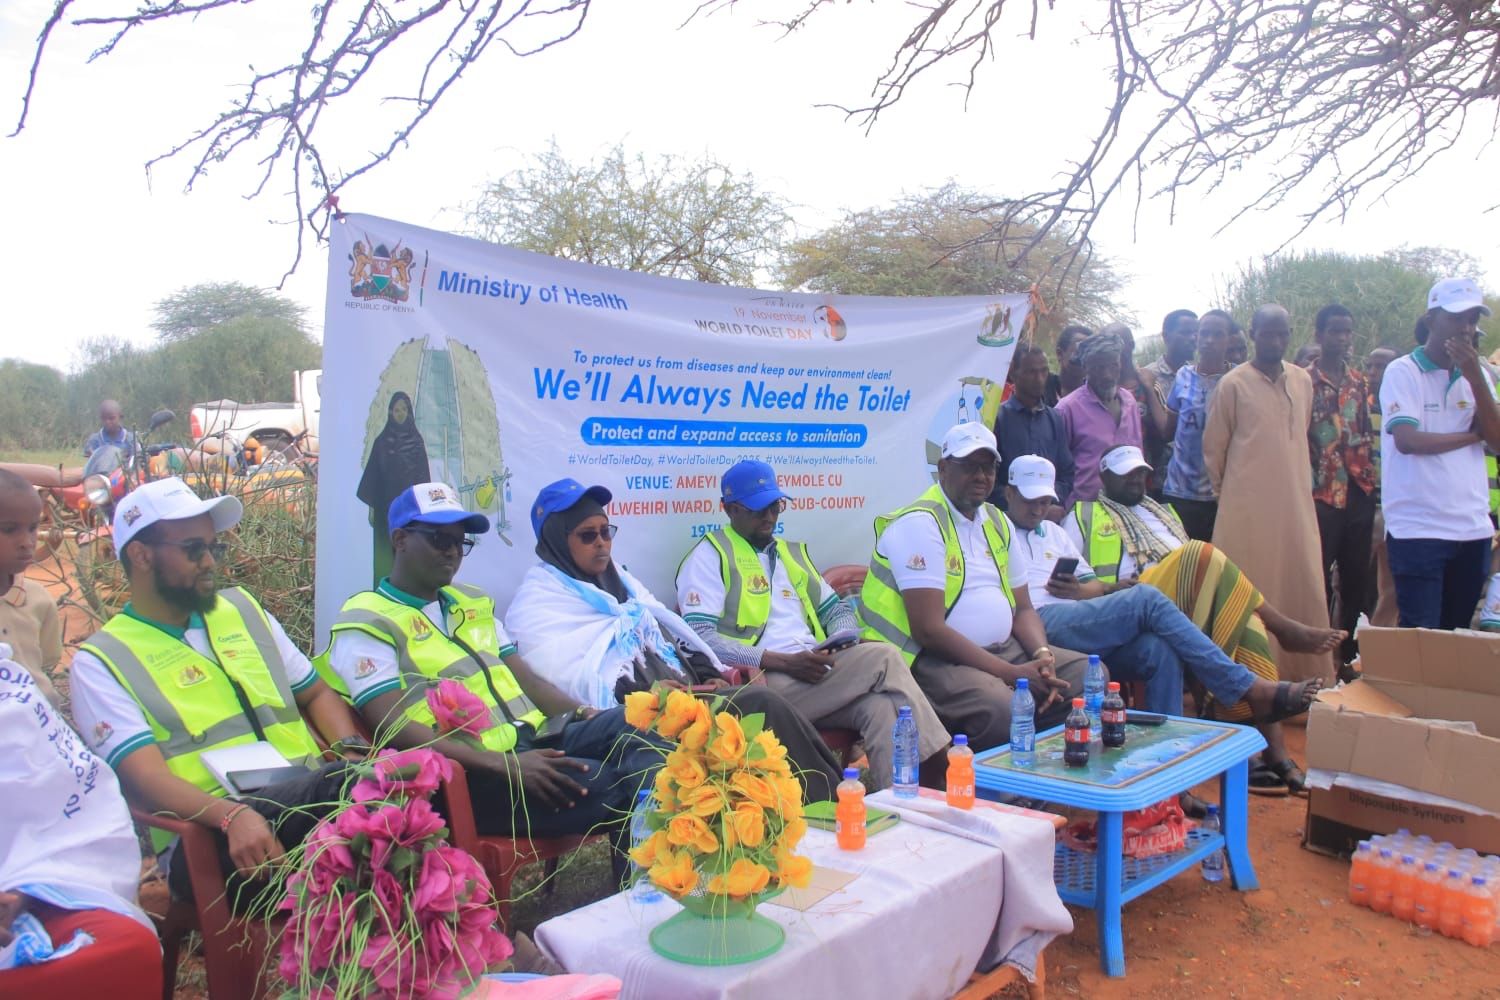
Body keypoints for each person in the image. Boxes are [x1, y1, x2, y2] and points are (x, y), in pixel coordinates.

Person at [326, 482, 665, 873]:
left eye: (460, 541)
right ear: (400, 540)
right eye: (439, 539)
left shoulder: (472, 603)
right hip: (474, 774)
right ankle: (649, 890)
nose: (452, 551)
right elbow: (392, 724)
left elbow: (529, 682)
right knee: (614, 784)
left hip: (538, 738)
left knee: (643, 722)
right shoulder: (367, 620)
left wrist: (586, 715)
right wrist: (503, 765)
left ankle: (654, 881)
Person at [69, 478, 371, 913]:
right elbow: (145, 778)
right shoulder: (103, 660)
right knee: (373, 797)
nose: (209, 561)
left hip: (306, 797)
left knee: (403, 784)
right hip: (211, 838)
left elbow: (317, 692)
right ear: (141, 555)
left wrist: (352, 751)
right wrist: (231, 815)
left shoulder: (243, 611)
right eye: (193, 549)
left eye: (214, 547)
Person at [503, 479, 844, 803]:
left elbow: (670, 631)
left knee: (764, 704)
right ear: (557, 541)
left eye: (606, 532)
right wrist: (647, 696)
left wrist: (708, 673)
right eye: (588, 535)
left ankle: (831, 803)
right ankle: (828, 807)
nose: (602, 543)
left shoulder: (620, 581)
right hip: (632, 722)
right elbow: (576, 690)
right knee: (759, 703)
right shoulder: (540, 604)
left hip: (683, 698)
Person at [1005, 456, 1320, 791]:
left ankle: (1170, 783)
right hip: (1040, 622)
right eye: (1030, 500)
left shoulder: (1054, 533)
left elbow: (1093, 585)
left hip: (1081, 616)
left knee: (1160, 650)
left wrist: (1078, 589)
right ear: (1009, 493)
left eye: (1044, 501)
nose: (1038, 509)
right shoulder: (1000, 529)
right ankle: (1245, 688)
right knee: (1147, 598)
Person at [675, 460, 949, 791]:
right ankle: (944, 767)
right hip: (763, 683)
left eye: (775, 506)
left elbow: (836, 609)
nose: (769, 517)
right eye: (758, 509)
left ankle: (898, 804)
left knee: (878, 708)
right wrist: (780, 661)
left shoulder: (789, 554)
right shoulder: (710, 555)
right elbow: (700, 638)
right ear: (730, 509)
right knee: (886, 657)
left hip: (814, 668)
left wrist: (840, 638)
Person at [857, 422, 1094, 751]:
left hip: (1005, 649)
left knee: (1086, 675)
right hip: (932, 659)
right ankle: (986, 774)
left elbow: (1023, 608)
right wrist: (1011, 674)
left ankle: (1040, 763)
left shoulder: (997, 520)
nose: (981, 476)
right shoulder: (920, 523)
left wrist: (1043, 657)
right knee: (1002, 708)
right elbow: (929, 631)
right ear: (943, 469)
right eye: (969, 466)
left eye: (989, 467)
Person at [0, 657, 162, 999]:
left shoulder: (10, 689)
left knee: (128, 948)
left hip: (24, 897)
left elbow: (58, 819)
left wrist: (28, 885)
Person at [1204, 304, 1334, 687]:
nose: (1276, 341)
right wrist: (1233, 497)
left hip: (1295, 507)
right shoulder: (1233, 384)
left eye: (1283, 334)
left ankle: (1306, 679)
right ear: (1252, 334)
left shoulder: (1302, 380)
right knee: (1247, 590)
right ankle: (1249, 684)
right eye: (1268, 333)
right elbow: (1214, 450)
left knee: (1302, 583)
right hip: (1246, 510)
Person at [1379, 278, 1500, 629]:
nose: (1466, 328)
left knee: (1455, 637)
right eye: (1456, 318)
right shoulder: (1403, 371)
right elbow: (1409, 441)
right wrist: (1470, 436)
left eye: (1472, 319)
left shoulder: (1479, 376)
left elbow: (1496, 441)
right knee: (1422, 636)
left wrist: (1475, 378)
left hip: (1472, 529)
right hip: (1418, 530)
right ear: (1431, 319)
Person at [1306, 304, 1378, 665]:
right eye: (1335, 331)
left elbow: (1365, 432)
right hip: (1321, 491)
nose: (1343, 338)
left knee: (1355, 581)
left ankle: (1349, 657)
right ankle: (1317, 657)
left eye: (1347, 331)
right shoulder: (1304, 381)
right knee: (1317, 578)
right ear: (1319, 335)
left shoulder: (1358, 381)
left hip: (1359, 490)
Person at [1162, 310, 1235, 541]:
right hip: (1180, 491)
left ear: (1230, 339)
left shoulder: (1237, 380)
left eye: (1218, 334)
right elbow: (1170, 429)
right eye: (1204, 333)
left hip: (1221, 494)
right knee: (1183, 557)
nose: (1209, 340)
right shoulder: (1183, 376)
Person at [1056, 326, 1144, 504]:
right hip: (1084, 509)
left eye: (1113, 366)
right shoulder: (1067, 409)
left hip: (1126, 505)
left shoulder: (1129, 402)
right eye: (1098, 368)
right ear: (1086, 368)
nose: (1107, 375)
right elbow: (1058, 467)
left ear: (1120, 364)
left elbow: (1138, 455)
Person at [988, 342, 1075, 516]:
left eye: (1044, 371)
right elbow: (990, 478)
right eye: (1031, 372)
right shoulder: (997, 419)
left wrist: (1045, 503)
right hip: (1006, 518)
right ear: (1013, 373)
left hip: (1048, 518)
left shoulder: (1054, 418)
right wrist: (1024, 506)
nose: (1039, 379)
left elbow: (1066, 472)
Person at [0, 471, 62, 704]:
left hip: (43, 719)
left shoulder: (38, 599)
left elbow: (47, 660)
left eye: (33, 527)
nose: (27, 542)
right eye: (9, 529)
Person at [357, 391, 431, 584]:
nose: (400, 414)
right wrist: (373, 508)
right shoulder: (381, 442)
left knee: (410, 555)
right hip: (385, 513)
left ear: (409, 412)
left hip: (410, 514)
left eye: (403, 409)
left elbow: (423, 479)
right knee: (385, 560)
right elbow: (372, 479)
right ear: (391, 413)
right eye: (396, 410)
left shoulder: (416, 442)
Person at [1136, 309, 1199, 498]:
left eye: (1195, 333)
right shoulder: (1147, 376)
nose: (1192, 338)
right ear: (1166, 336)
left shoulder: (1198, 377)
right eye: (1185, 332)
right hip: (1158, 482)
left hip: (1193, 482)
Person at [1364, 346, 1400, 628]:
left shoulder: (1402, 410)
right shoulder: (1360, 409)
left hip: (1395, 508)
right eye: (1370, 366)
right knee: (1354, 581)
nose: (1374, 373)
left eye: (1382, 367)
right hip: (1364, 506)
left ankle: (1377, 642)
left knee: (1390, 588)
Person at [1045, 324, 1092, 407]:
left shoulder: (1094, 397)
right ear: (1059, 354)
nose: (1083, 356)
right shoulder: (1040, 385)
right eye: (1079, 348)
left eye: (1089, 350)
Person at [82, 399, 139, 464]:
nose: (107, 422)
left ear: (120, 417)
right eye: (104, 418)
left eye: (111, 418)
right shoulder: (94, 440)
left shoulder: (131, 439)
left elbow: (137, 464)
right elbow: (89, 465)